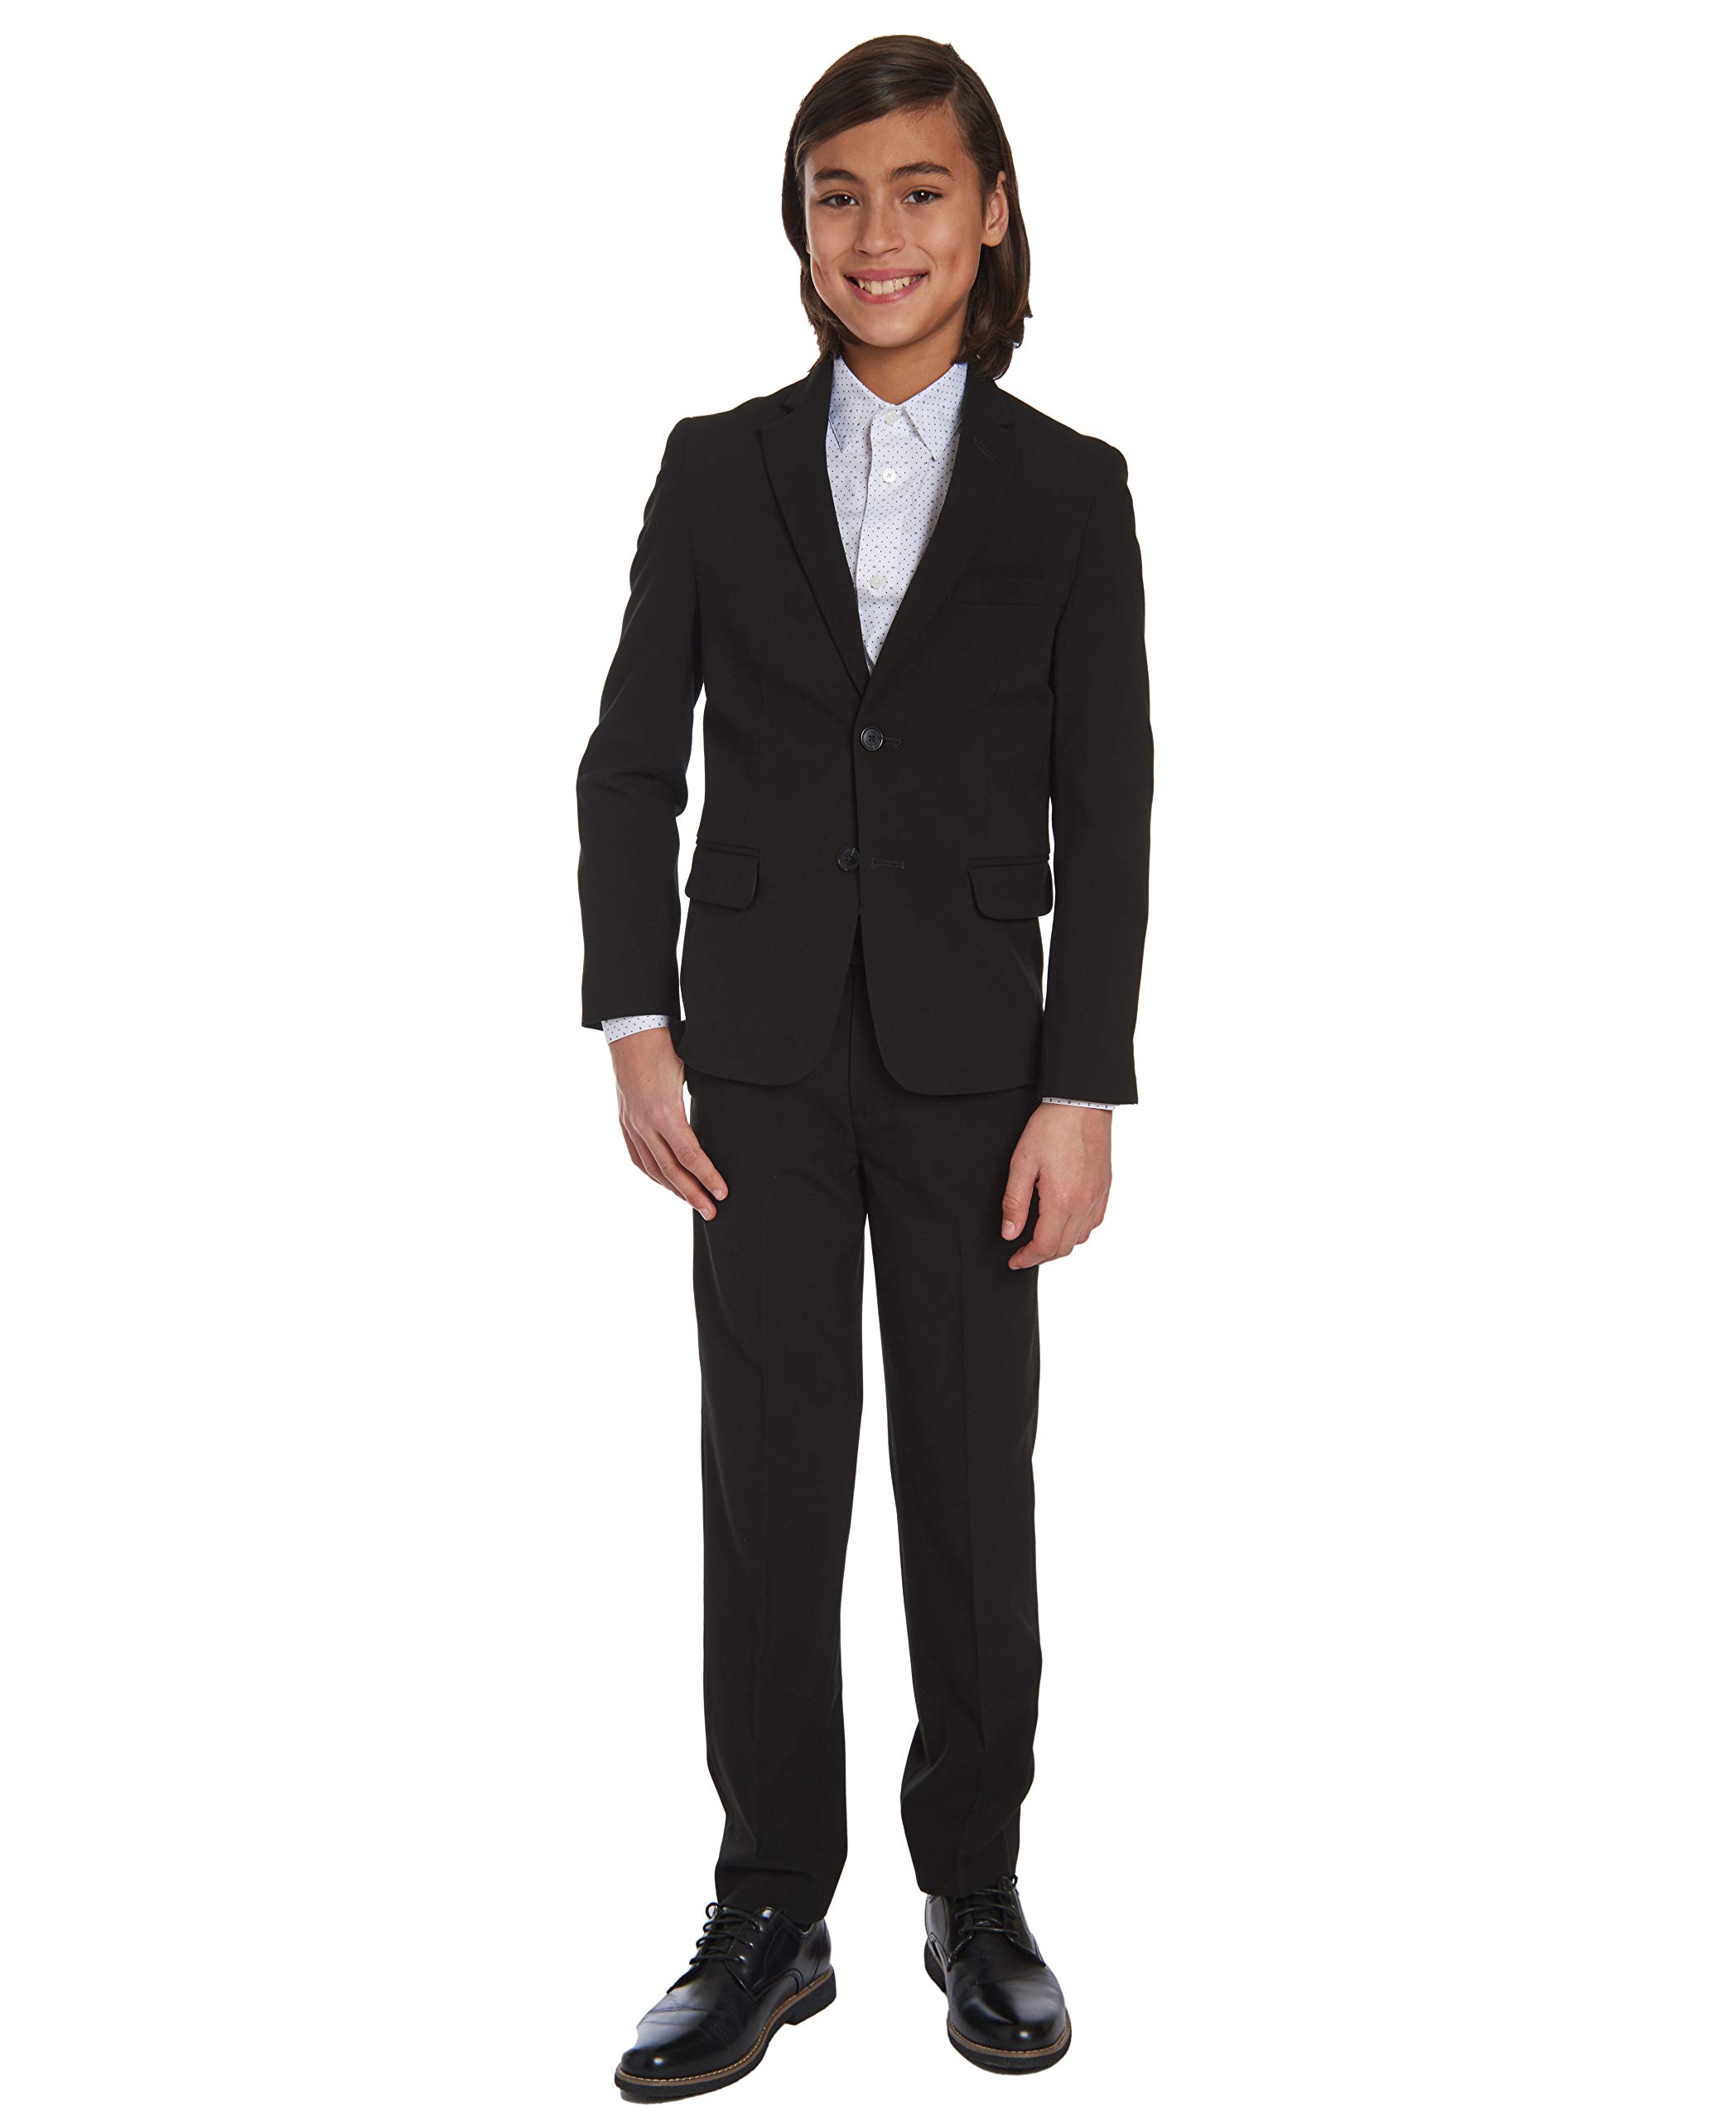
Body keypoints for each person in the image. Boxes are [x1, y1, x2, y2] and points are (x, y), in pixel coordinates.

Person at [577, 34, 1152, 2102]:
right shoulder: (714, 465)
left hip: (978, 1066)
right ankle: (768, 1902)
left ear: (988, 215)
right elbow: (630, 759)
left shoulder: (1071, 488)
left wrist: (1083, 1081)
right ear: (798, 227)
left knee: (970, 1480)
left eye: (919, 190)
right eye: (837, 194)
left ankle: (973, 1885)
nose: (877, 231)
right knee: (769, 1477)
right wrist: (633, 1019)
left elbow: (1112, 794)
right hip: (747, 1061)